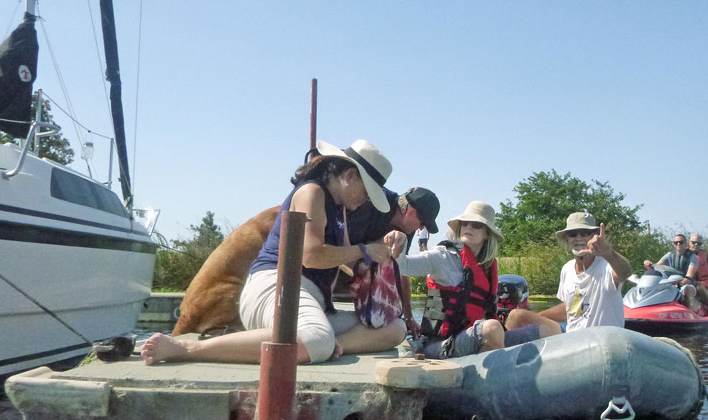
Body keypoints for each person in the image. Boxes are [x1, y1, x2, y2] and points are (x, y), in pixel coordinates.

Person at [141, 139, 407, 365]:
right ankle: (188, 349)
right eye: (369, 191)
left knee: (396, 328)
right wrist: (363, 250)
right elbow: (310, 255)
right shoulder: (312, 192)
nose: (369, 200)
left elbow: (347, 261)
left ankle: (334, 345)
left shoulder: (339, 210)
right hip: (276, 288)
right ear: (350, 177)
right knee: (316, 339)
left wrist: (379, 252)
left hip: (311, 301)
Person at [386, 201, 560, 359]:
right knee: (491, 328)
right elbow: (404, 266)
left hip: (473, 339)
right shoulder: (443, 256)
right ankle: (489, 383)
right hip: (440, 346)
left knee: (544, 331)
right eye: (465, 223)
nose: (468, 227)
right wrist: (399, 243)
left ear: (486, 234)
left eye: (476, 225)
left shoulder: (487, 267)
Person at [346, 186, 440, 338]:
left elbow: (402, 270)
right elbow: (343, 250)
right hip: (335, 280)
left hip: (366, 288)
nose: (421, 229)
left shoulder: (405, 230)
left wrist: (409, 317)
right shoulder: (373, 203)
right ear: (411, 213)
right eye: (422, 224)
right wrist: (382, 244)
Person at [540, 212, 632, 332]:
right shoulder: (566, 269)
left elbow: (624, 273)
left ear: (594, 236)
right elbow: (570, 307)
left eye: (585, 233)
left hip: (604, 342)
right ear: (567, 239)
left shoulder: (607, 266)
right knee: (518, 316)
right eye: (573, 234)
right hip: (574, 342)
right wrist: (537, 317)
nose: (578, 238)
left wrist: (609, 253)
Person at [643, 233, 703, 311]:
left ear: (685, 243)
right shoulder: (669, 255)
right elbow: (656, 268)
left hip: (687, 283)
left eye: (681, 242)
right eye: (676, 242)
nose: (678, 244)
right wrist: (648, 264)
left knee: (688, 289)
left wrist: (679, 284)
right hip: (671, 283)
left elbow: (689, 276)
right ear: (673, 244)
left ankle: (691, 314)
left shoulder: (692, 257)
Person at [690, 234, 708, 312]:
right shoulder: (684, 255)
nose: (696, 245)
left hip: (704, 287)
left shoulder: (705, 256)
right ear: (689, 242)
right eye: (694, 242)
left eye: (699, 243)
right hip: (689, 286)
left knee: (702, 289)